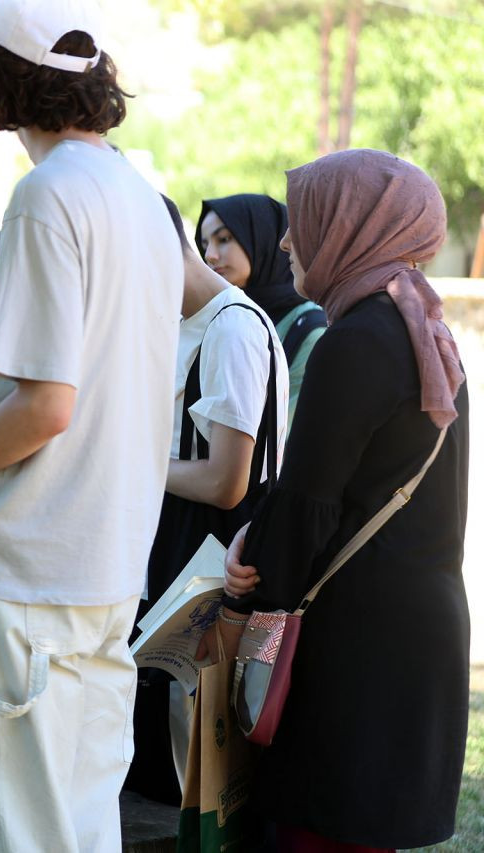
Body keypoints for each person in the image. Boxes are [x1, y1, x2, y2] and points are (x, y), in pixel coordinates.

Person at [0, 3, 183, 849]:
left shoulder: (46, 193)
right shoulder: (142, 196)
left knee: (13, 832)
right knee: (82, 826)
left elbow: (45, 404)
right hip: (107, 565)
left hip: (27, 563)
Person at [204, 150, 469, 851]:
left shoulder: (358, 339)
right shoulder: (424, 328)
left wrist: (251, 571)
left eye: (308, 220)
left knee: (313, 831)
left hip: (353, 637)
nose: (289, 241)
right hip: (415, 628)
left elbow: (307, 499)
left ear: (356, 224)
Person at [126, 197, 288, 804]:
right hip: (169, 543)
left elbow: (227, 481)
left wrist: (131, 462)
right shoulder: (175, 322)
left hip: (213, 551)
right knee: (155, 767)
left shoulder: (234, 326)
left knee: (194, 764)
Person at [196, 193, 326, 428]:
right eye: (205, 244)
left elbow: (288, 437)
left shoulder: (308, 331)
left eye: (223, 239)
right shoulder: (219, 317)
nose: (209, 256)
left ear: (263, 237)